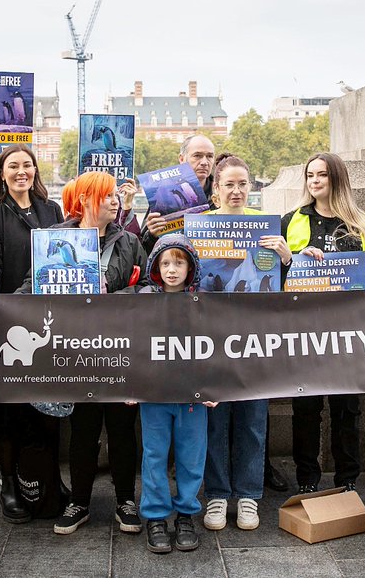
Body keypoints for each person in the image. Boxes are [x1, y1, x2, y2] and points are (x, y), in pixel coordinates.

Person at [282, 153, 365, 495]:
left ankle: (347, 479)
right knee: (305, 408)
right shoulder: (290, 221)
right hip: (302, 333)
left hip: (349, 334)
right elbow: (272, 277)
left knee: (346, 410)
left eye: (321, 175)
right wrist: (292, 262)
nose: (314, 181)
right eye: (309, 175)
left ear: (337, 179)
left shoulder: (361, 224)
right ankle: (306, 479)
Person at [39, 172, 146, 536]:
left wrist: (114, 298)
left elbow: (149, 286)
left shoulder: (129, 240)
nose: (116, 201)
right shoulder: (55, 239)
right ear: (85, 199)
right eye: (107, 196)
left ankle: (126, 499)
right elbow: (33, 283)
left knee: (121, 428)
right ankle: (79, 501)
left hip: (118, 349)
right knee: (82, 429)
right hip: (75, 350)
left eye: (116, 196)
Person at [200, 154, 292, 532]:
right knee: (215, 420)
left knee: (254, 419)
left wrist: (287, 259)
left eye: (243, 184)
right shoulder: (199, 227)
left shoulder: (267, 228)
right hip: (211, 336)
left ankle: (250, 496)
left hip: (257, 338)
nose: (236, 191)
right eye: (229, 184)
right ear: (216, 188)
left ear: (251, 187)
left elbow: (286, 286)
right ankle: (218, 495)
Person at [0, 146, 66, 523]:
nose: (21, 171)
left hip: (48, 318)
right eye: (13, 166)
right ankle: (8, 484)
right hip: (9, 320)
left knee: (49, 408)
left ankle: (48, 478)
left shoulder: (52, 210)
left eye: (27, 165)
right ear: (2, 173)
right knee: (10, 409)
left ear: (35, 171)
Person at [133, 233, 216, 554]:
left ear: (190, 267)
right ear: (155, 266)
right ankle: (155, 517)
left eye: (179, 263)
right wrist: (132, 386)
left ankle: (185, 515)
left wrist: (213, 386)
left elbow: (217, 348)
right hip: (154, 397)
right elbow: (133, 346)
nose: (171, 269)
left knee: (191, 457)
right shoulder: (143, 301)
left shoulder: (204, 303)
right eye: (165, 263)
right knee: (154, 456)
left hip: (193, 398)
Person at [142, 135, 216, 252]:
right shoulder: (163, 194)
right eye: (197, 156)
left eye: (210, 156)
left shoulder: (223, 195)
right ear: (182, 159)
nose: (204, 162)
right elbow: (142, 249)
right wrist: (152, 235)